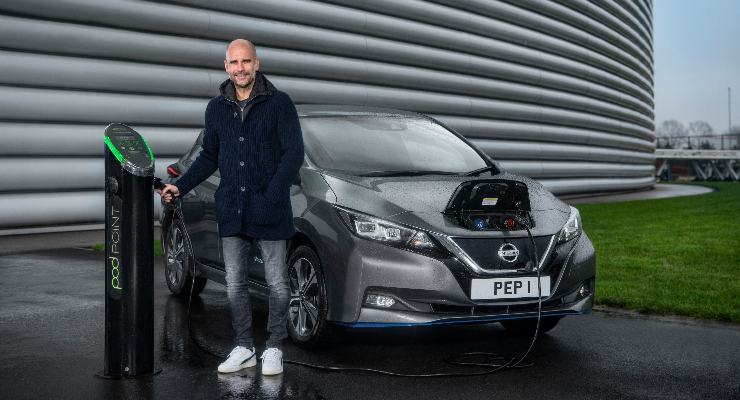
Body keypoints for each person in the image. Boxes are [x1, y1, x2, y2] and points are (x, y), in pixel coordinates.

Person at [158, 38, 304, 376]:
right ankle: (243, 347)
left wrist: (272, 194)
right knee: (235, 282)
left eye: (246, 62)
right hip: (232, 208)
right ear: (226, 66)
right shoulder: (216, 108)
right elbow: (208, 156)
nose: (240, 68)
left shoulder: (279, 103)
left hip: (270, 208)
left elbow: (293, 153)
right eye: (234, 63)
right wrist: (178, 186)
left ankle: (275, 348)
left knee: (277, 283)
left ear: (257, 64)